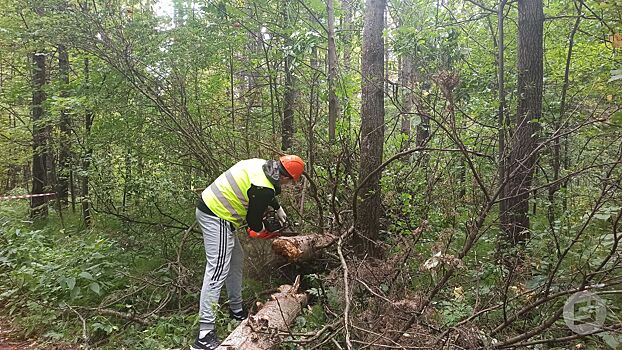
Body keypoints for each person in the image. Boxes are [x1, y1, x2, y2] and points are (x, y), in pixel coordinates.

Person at [191, 155, 305, 350]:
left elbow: (264, 192)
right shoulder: (263, 187)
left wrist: (278, 208)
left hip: (220, 214)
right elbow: (253, 222)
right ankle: (204, 335)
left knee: (236, 260)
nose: (286, 185)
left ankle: (236, 310)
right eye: (289, 182)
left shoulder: (260, 164)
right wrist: (264, 231)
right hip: (216, 215)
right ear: (286, 177)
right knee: (217, 270)